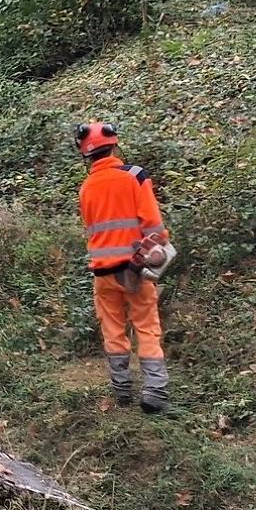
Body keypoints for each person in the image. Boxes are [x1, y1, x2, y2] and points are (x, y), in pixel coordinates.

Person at [76, 121, 172, 413]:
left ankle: (122, 390)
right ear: (115, 145)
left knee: (113, 329)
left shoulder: (86, 188)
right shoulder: (134, 176)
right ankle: (154, 391)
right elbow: (153, 224)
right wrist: (160, 248)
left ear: (86, 155)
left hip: (102, 273)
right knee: (146, 326)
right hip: (134, 269)